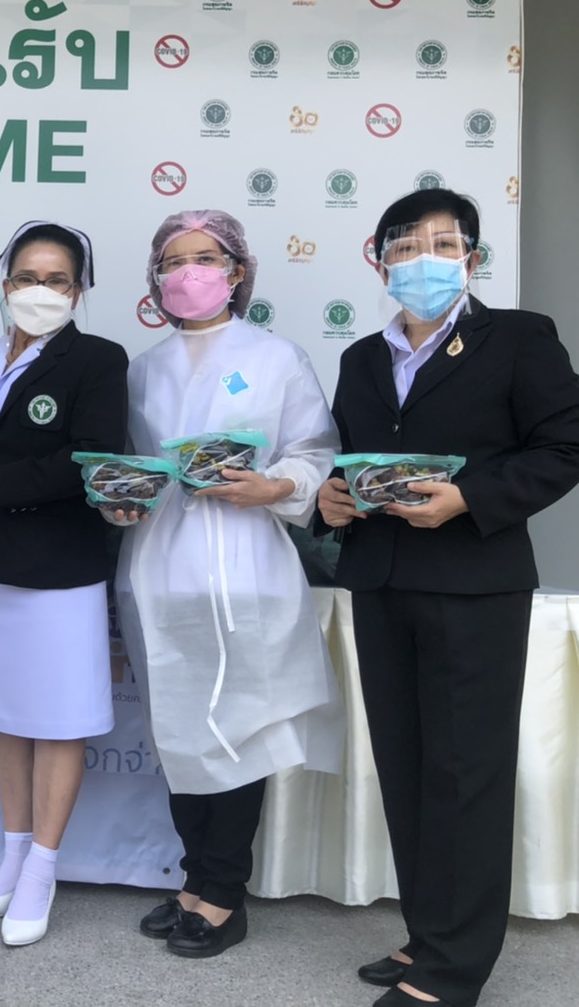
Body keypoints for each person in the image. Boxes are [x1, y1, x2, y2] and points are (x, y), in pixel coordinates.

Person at [316, 189, 579, 1007]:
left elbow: (565, 445)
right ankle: (429, 934)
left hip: (474, 583)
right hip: (382, 580)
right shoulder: (362, 358)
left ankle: (454, 971)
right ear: (380, 262)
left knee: (466, 773)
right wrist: (331, 499)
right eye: (404, 246)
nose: (422, 259)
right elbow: (348, 457)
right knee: (407, 767)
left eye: (442, 243)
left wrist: (470, 499)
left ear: (471, 258)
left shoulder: (520, 338)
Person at [115, 209, 344, 959]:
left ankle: (223, 893)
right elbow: (133, 463)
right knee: (179, 731)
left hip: (246, 568)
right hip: (160, 570)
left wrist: (274, 485)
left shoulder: (276, 357)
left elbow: (315, 451)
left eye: (206, 258)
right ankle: (193, 880)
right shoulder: (142, 368)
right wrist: (121, 497)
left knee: (237, 729)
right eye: (173, 261)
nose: (189, 273)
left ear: (238, 271)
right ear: (156, 279)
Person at [0, 221, 128, 947]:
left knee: (59, 718)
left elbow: (92, 458)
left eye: (56, 280)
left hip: (58, 565)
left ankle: (43, 868)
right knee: (6, 714)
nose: (38, 291)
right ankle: (11, 860)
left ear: (78, 290)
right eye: (26, 278)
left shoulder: (98, 359)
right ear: (5, 282)